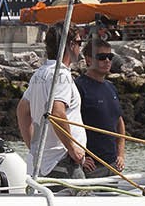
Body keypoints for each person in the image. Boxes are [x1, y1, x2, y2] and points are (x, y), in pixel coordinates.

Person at [16, 23, 87, 179]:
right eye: (79, 42)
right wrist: (72, 149)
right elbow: (57, 112)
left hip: (42, 163)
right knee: (80, 195)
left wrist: (34, 146)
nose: (80, 48)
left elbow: (22, 110)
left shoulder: (39, 74)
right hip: (62, 162)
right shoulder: (61, 75)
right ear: (70, 45)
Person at [75, 39, 126, 177]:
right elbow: (67, 123)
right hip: (90, 167)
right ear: (88, 60)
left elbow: (119, 122)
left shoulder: (111, 87)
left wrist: (120, 154)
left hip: (113, 165)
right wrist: (79, 155)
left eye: (110, 57)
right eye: (102, 57)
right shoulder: (78, 87)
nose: (107, 61)